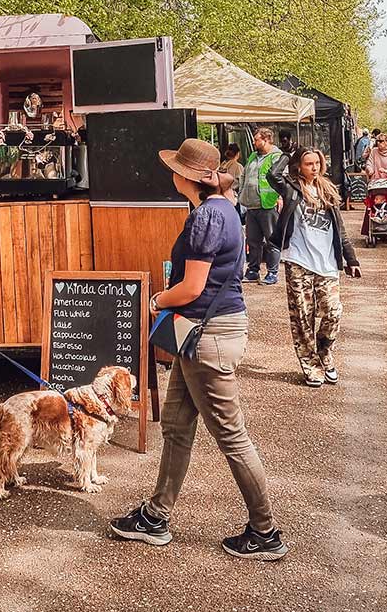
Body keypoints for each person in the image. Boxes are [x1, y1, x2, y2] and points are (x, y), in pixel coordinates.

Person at [109, 139, 286, 560]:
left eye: (174, 168)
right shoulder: (223, 208)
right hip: (206, 332)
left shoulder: (206, 215)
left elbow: (191, 287)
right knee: (175, 425)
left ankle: (265, 531)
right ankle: (155, 516)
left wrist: (155, 300)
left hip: (207, 334)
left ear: (185, 177)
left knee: (232, 436)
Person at [269, 148, 361, 388]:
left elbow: (339, 230)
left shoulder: (328, 190)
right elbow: (272, 175)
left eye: (317, 163)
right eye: (308, 163)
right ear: (299, 166)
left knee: (333, 311)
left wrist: (351, 260)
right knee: (302, 316)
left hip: (327, 263)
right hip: (298, 260)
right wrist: (287, 155)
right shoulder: (291, 189)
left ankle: (325, 352)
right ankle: (311, 365)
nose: (314, 167)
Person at [239, 128, 286, 286]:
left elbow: (282, 179)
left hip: (268, 205)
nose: (253, 142)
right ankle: (253, 270)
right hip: (252, 205)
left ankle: (272, 272)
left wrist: (278, 197)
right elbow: (244, 175)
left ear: (266, 140)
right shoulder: (253, 156)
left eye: (256, 139)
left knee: (271, 240)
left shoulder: (276, 157)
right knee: (253, 240)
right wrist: (242, 193)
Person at [219, 144, 245, 218]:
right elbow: (242, 182)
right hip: (233, 197)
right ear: (237, 154)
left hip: (222, 196)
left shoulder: (222, 165)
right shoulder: (238, 166)